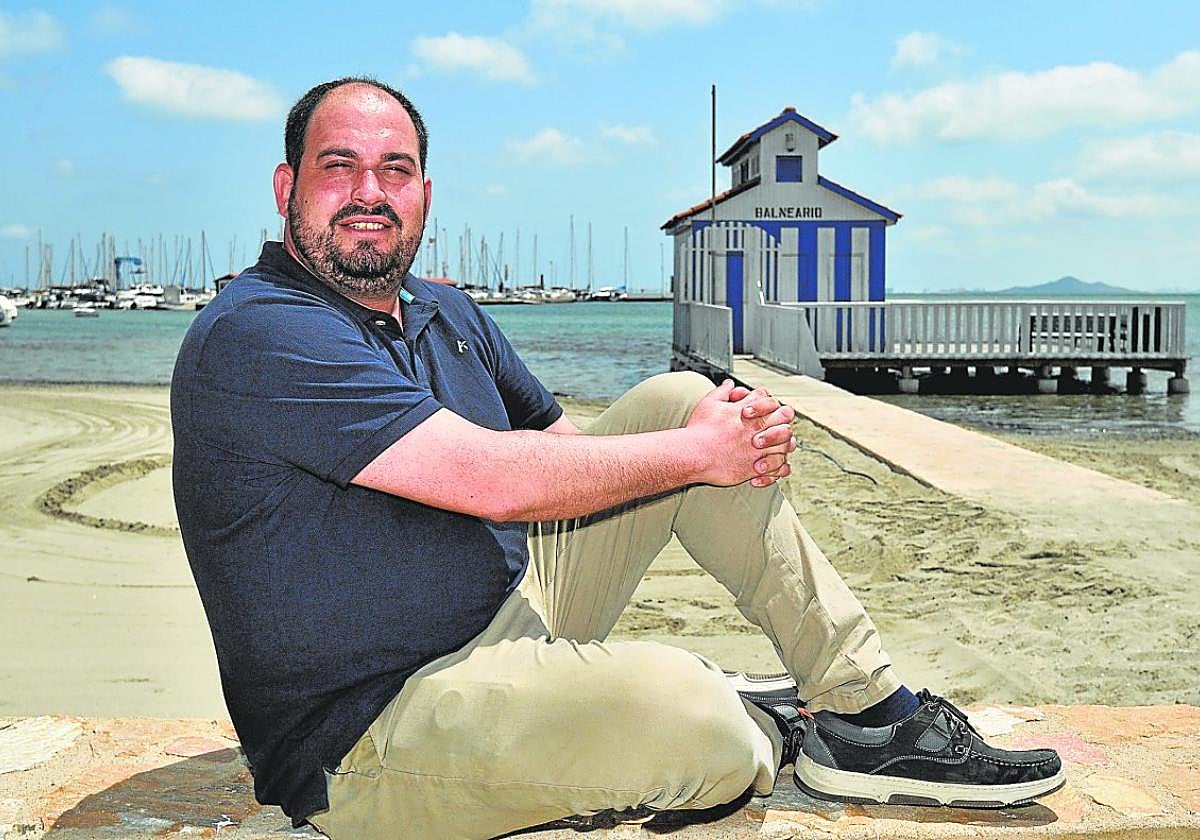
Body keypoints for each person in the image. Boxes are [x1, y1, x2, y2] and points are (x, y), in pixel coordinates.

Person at [171, 77, 1064, 840]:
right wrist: (695, 455)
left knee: (683, 403)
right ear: (289, 186)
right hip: (373, 732)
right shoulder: (259, 333)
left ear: (425, 195)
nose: (371, 190)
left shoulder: (444, 314)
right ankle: (761, 721)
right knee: (693, 714)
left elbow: (567, 454)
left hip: (515, 615)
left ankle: (867, 711)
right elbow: (486, 476)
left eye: (393, 170)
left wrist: (717, 440)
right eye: (341, 166)